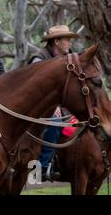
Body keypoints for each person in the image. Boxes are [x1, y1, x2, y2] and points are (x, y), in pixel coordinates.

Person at [28, 24, 79, 182]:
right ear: (56, 41)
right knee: (55, 122)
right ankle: (42, 169)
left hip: (62, 108)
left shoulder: (69, 58)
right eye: (67, 39)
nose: (70, 43)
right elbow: (34, 89)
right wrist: (53, 106)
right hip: (38, 108)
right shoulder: (39, 59)